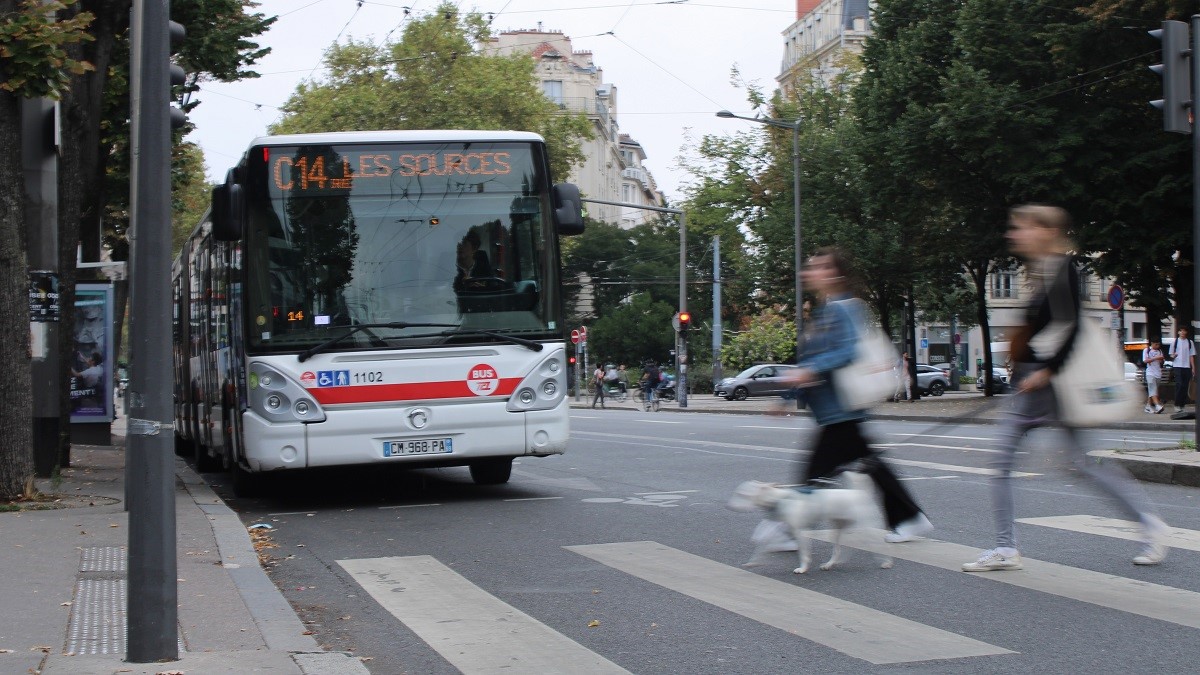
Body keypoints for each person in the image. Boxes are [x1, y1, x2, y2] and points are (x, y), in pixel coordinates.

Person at [962, 205, 1168, 572]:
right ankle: (1006, 549)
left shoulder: (1063, 270)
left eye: (1021, 227)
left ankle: (1148, 523)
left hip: (1052, 383)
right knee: (1026, 462)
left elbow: (1070, 328)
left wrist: (1047, 371)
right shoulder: (1041, 271)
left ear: (1046, 230)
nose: (1014, 234)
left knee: (1076, 465)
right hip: (1036, 381)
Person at [782, 247, 934, 544]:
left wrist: (809, 371)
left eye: (820, 267)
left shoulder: (842, 307)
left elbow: (848, 351)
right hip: (836, 408)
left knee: (814, 473)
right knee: (868, 464)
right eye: (811, 267)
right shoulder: (826, 309)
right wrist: (787, 395)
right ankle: (909, 517)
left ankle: (785, 530)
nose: (811, 272)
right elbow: (814, 356)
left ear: (836, 274)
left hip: (842, 406)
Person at [1169, 327, 1194, 414]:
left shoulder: (1190, 342)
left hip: (1186, 366)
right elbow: (1171, 355)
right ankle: (1177, 404)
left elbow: (1191, 355)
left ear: (1186, 332)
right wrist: (1174, 356)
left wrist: (1193, 367)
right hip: (1177, 366)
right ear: (1178, 332)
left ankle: (1182, 405)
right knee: (1179, 384)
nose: (1183, 332)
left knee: (1185, 386)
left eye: (1184, 330)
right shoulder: (1174, 342)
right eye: (1181, 330)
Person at [1143, 340, 1165, 414]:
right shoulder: (1147, 350)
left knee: (1153, 390)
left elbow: (1162, 361)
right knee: (1152, 389)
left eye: (1158, 345)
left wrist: (1161, 359)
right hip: (1150, 372)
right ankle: (1157, 405)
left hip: (1158, 372)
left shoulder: (1159, 351)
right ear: (1152, 344)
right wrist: (1155, 358)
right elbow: (1145, 360)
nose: (1157, 346)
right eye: (1156, 344)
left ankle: (1148, 406)